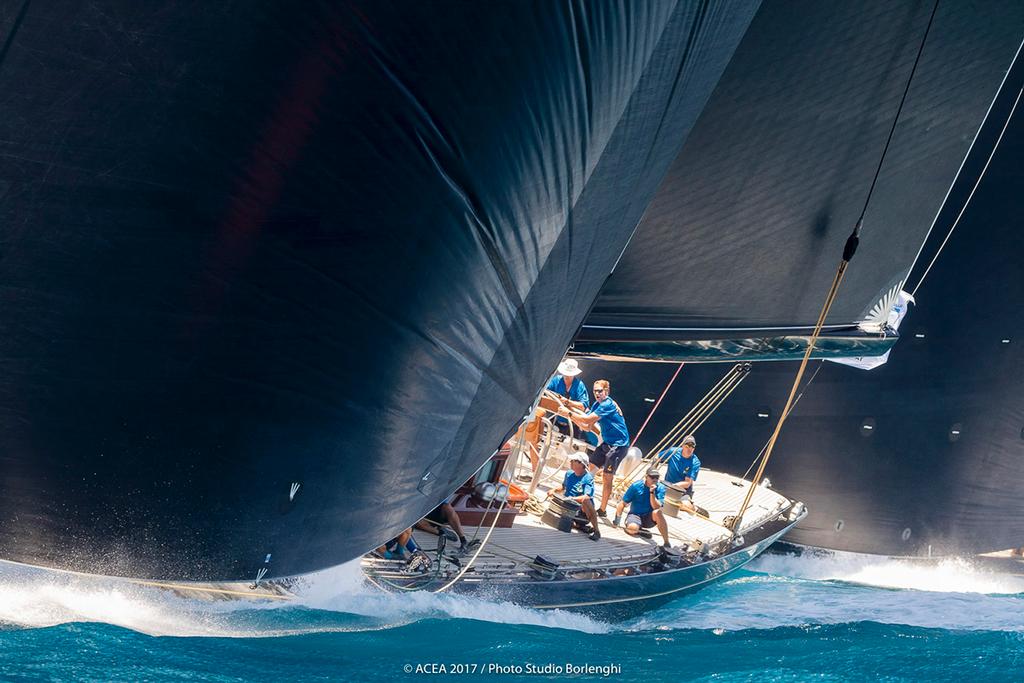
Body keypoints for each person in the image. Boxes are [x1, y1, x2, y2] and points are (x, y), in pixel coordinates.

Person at [561, 379, 629, 518]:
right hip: (607, 443)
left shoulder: (607, 404)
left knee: (607, 477)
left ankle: (602, 510)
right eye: (595, 391)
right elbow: (586, 426)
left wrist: (568, 413)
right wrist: (571, 417)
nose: (597, 393)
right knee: (587, 469)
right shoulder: (597, 404)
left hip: (618, 446)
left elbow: (586, 420)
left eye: (600, 391)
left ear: (607, 392)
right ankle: (581, 498)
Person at [613, 467, 671, 548]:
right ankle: (639, 531)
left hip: (649, 517)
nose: (654, 479)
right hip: (635, 515)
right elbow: (622, 503)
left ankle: (666, 542)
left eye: (657, 478)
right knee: (632, 529)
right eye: (652, 477)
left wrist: (652, 493)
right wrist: (617, 520)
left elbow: (656, 507)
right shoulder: (636, 486)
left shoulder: (661, 488)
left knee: (658, 512)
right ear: (646, 477)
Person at [552, 452, 600, 541]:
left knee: (586, 502)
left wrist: (571, 499)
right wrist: (553, 490)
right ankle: (578, 525)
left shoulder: (587, 478)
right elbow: (563, 486)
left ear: (581, 464)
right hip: (567, 506)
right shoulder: (569, 474)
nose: (570, 462)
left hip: (580, 510)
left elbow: (586, 496)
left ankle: (597, 531)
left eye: (573, 461)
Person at [415, 498, 481, 553]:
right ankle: (441, 532)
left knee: (448, 507)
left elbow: (444, 501)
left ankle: (463, 540)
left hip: (436, 512)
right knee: (416, 521)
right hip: (422, 516)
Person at [546, 358, 590, 438]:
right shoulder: (556, 380)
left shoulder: (579, 385)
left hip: (573, 424)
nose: (566, 375)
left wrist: (567, 402)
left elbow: (583, 406)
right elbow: (545, 392)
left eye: (569, 374)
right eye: (565, 373)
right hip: (555, 420)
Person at [658, 434, 700, 512]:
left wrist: (673, 486)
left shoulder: (695, 462)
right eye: (687, 446)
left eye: (692, 447)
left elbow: (687, 483)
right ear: (682, 446)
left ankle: (695, 508)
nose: (689, 449)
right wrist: (654, 473)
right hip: (667, 484)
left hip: (683, 490)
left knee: (684, 506)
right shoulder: (673, 451)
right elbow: (657, 458)